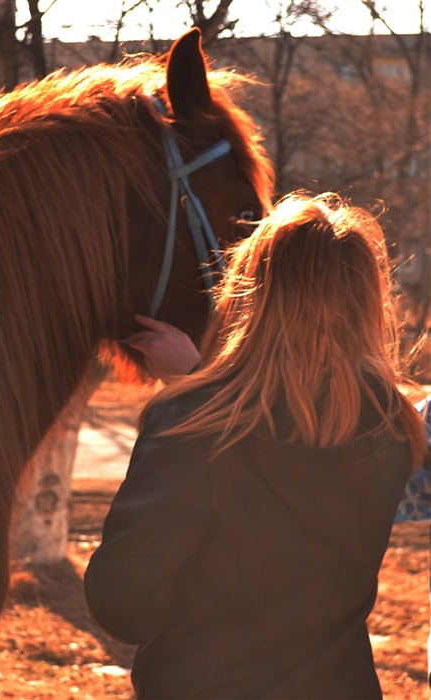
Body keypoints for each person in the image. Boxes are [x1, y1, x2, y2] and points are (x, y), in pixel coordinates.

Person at [85, 192, 428, 699]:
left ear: (251, 293)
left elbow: (123, 602)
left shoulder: (192, 424)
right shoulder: (394, 431)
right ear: (368, 303)